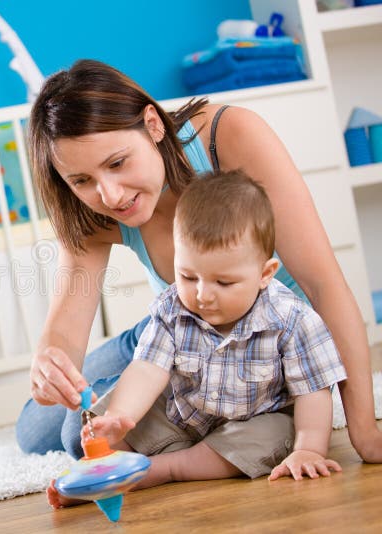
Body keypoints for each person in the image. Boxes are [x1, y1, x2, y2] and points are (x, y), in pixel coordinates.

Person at [16, 59, 381, 463]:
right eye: (82, 180)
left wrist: (363, 430)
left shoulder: (228, 136)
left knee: (77, 432)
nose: (111, 196)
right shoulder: (89, 210)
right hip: (176, 329)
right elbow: (66, 322)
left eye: (117, 163)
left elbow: (323, 285)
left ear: (152, 125)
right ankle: (155, 397)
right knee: (36, 430)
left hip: (267, 343)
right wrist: (49, 360)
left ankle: (182, 411)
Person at [47, 171, 345, 508]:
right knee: (103, 422)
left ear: (264, 274)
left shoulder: (292, 319)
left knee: (273, 436)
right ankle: (103, 476)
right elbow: (146, 370)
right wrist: (119, 417)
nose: (203, 295)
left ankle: (160, 469)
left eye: (224, 282)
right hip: (186, 412)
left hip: (257, 419)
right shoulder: (173, 308)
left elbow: (314, 392)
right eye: (188, 276)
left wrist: (309, 448)